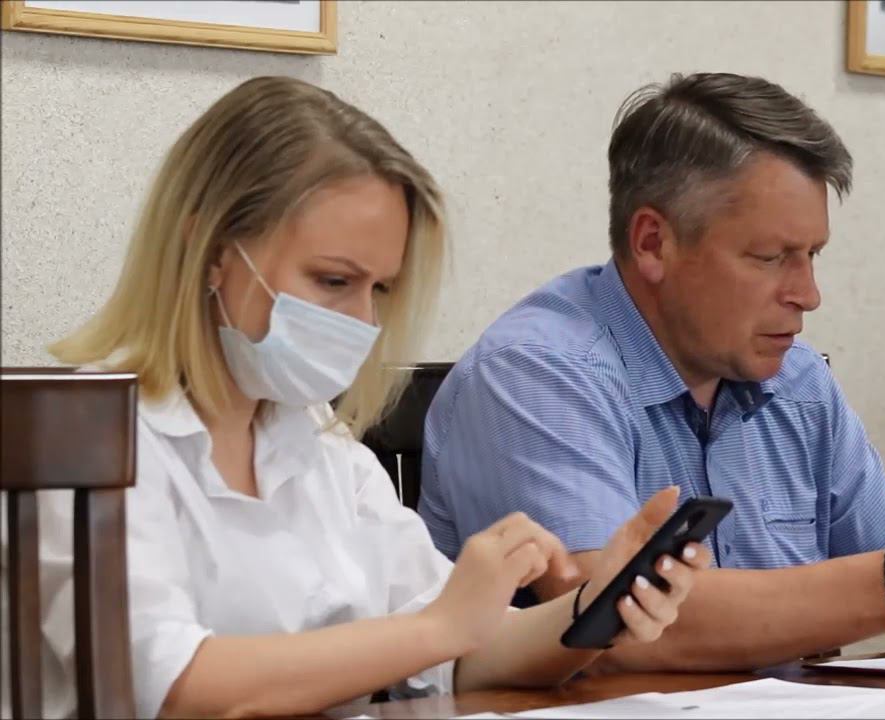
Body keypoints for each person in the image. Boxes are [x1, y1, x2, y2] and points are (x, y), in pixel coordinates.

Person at [418, 72, 885, 673]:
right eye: (771, 257)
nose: (808, 294)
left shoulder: (796, 379)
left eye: (813, 256)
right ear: (652, 243)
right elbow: (622, 626)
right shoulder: (538, 373)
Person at [34, 76, 709, 718]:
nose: (362, 321)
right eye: (334, 281)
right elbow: (170, 686)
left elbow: (464, 653)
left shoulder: (318, 441)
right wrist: (439, 629)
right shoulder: (77, 435)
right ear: (210, 247)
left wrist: (599, 603)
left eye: (379, 289)